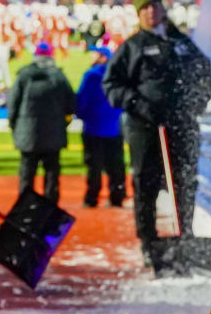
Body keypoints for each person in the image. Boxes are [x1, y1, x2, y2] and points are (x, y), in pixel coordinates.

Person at [102, 0, 211, 268]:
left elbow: (204, 72)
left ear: (164, 8)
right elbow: (112, 85)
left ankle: (184, 237)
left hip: (182, 125)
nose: (152, 12)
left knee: (184, 181)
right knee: (146, 184)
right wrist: (138, 104)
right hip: (145, 129)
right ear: (139, 13)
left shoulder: (183, 43)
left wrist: (196, 104)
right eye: (146, 8)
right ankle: (150, 241)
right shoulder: (132, 47)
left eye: (156, 6)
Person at [8, 42, 75, 203]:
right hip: (53, 132)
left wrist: (15, 128)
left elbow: (13, 105)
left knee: (27, 173)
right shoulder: (59, 76)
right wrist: (63, 124)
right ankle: (50, 209)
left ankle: (25, 209)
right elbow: (71, 104)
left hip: (28, 133)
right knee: (52, 173)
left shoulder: (24, 75)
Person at [75, 45, 125, 208]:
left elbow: (82, 101)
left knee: (93, 166)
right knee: (115, 165)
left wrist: (82, 115)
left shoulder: (91, 76)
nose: (91, 56)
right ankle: (117, 196)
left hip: (93, 127)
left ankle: (92, 197)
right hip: (114, 127)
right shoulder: (119, 74)